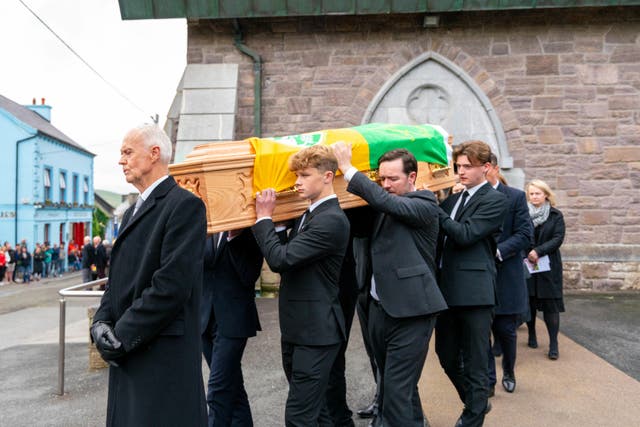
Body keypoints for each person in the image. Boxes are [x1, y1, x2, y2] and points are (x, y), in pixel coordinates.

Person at [91, 124, 207, 426]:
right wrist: (101, 322)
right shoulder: (131, 211)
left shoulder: (185, 205)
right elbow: (116, 280)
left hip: (159, 354)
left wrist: (122, 336)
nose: (121, 160)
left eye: (128, 152)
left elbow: (171, 286)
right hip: (132, 349)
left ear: (154, 153)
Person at [332, 143, 447, 427]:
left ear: (412, 177)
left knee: (396, 393)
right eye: (381, 179)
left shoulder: (424, 203)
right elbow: (355, 225)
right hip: (380, 309)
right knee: (395, 388)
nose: (385, 185)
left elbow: (390, 205)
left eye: (392, 179)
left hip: (413, 311)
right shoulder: (381, 205)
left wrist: (347, 169)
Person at [252, 144, 349, 427]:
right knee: (316, 414)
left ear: (328, 176)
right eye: (296, 176)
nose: (297, 182)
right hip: (299, 330)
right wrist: (280, 225)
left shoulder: (331, 220)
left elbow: (281, 259)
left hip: (317, 334)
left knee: (299, 417)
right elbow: (293, 257)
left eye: (305, 175)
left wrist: (264, 218)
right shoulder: (309, 215)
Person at [435, 140, 507, 427]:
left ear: (486, 168)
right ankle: (476, 402)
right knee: (446, 356)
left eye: (467, 166)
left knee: (477, 361)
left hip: (476, 293)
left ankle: (472, 419)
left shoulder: (494, 200)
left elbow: (465, 235)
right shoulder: (454, 199)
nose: (461, 171)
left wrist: (435, 208)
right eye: (458, 166)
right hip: (446, 290)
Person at [200, 228, 263, 427]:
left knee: (218, 390)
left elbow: (249, 275)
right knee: (233, 389)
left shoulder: (250, 230)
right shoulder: (206, 226)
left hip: (233, 319)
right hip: (204, 319)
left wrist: (233, 237)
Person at [485, 154, 533, 395]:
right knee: (482, 333)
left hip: (506, 275)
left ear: (493, 168)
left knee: (506, 331)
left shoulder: (514, 197)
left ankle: (509, 371)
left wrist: (498, 251)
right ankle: (489, 380)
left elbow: (525, 234)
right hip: (479, 278)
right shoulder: (465, 197)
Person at [525, 179, 566, 360]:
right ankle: (531, 333)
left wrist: (538, 251)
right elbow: (520, 234)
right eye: (531, 193)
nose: (534, 196)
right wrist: (529, 251)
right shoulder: (523, 214)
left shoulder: (556, 216)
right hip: (527, 263)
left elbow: (558, 238)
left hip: (549, 265)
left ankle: (553, 343)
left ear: (546, 195)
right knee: (530, 303)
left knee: (551, 306)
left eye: (537, 193)